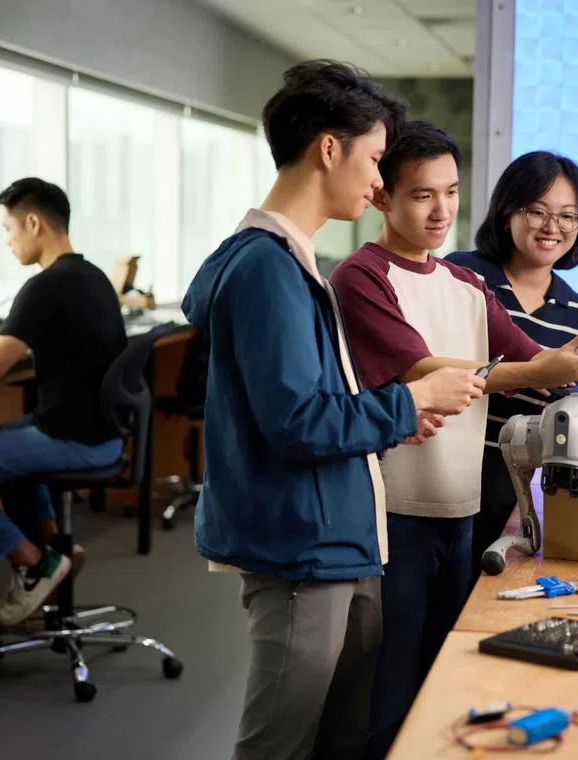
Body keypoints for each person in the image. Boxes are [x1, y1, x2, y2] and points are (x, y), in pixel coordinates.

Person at [180, 62, 487, 760]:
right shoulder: (266, 268)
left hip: (340, 543)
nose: (379, 182)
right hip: (303, 550)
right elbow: (299, 423)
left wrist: (401, 411)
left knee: (341, 741)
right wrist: (408, 401)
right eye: (376, 160)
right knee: (280, 747)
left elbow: (315, 406)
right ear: (328, 149)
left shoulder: (293, 263)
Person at [329, 124, 578, 759]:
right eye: (421, 196)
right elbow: (428, 371)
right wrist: (545, 369)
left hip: (463, 509)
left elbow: (537, 360)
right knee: (388, 690)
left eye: (451, 192)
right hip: (393, 515)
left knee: (448, 674)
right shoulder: (360, 276)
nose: (441, 211)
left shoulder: (465, 286)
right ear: (382, 196)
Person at [0, 177, 128, 627]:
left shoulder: (44, 287)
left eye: (8, 229)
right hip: (104, 433)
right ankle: (56, 547)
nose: (7, 241)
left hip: (74, 439)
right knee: (3, 436)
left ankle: (34, 563)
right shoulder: (93, 276)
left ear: (34, 223)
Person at [446, 150, 578, 586]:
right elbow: (436, 369)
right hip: (451, 473)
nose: (552, 226)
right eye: (537, 211)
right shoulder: (460, 275)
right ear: (506, 213)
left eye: (568, 216)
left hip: (526, 485)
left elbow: (572, 402)